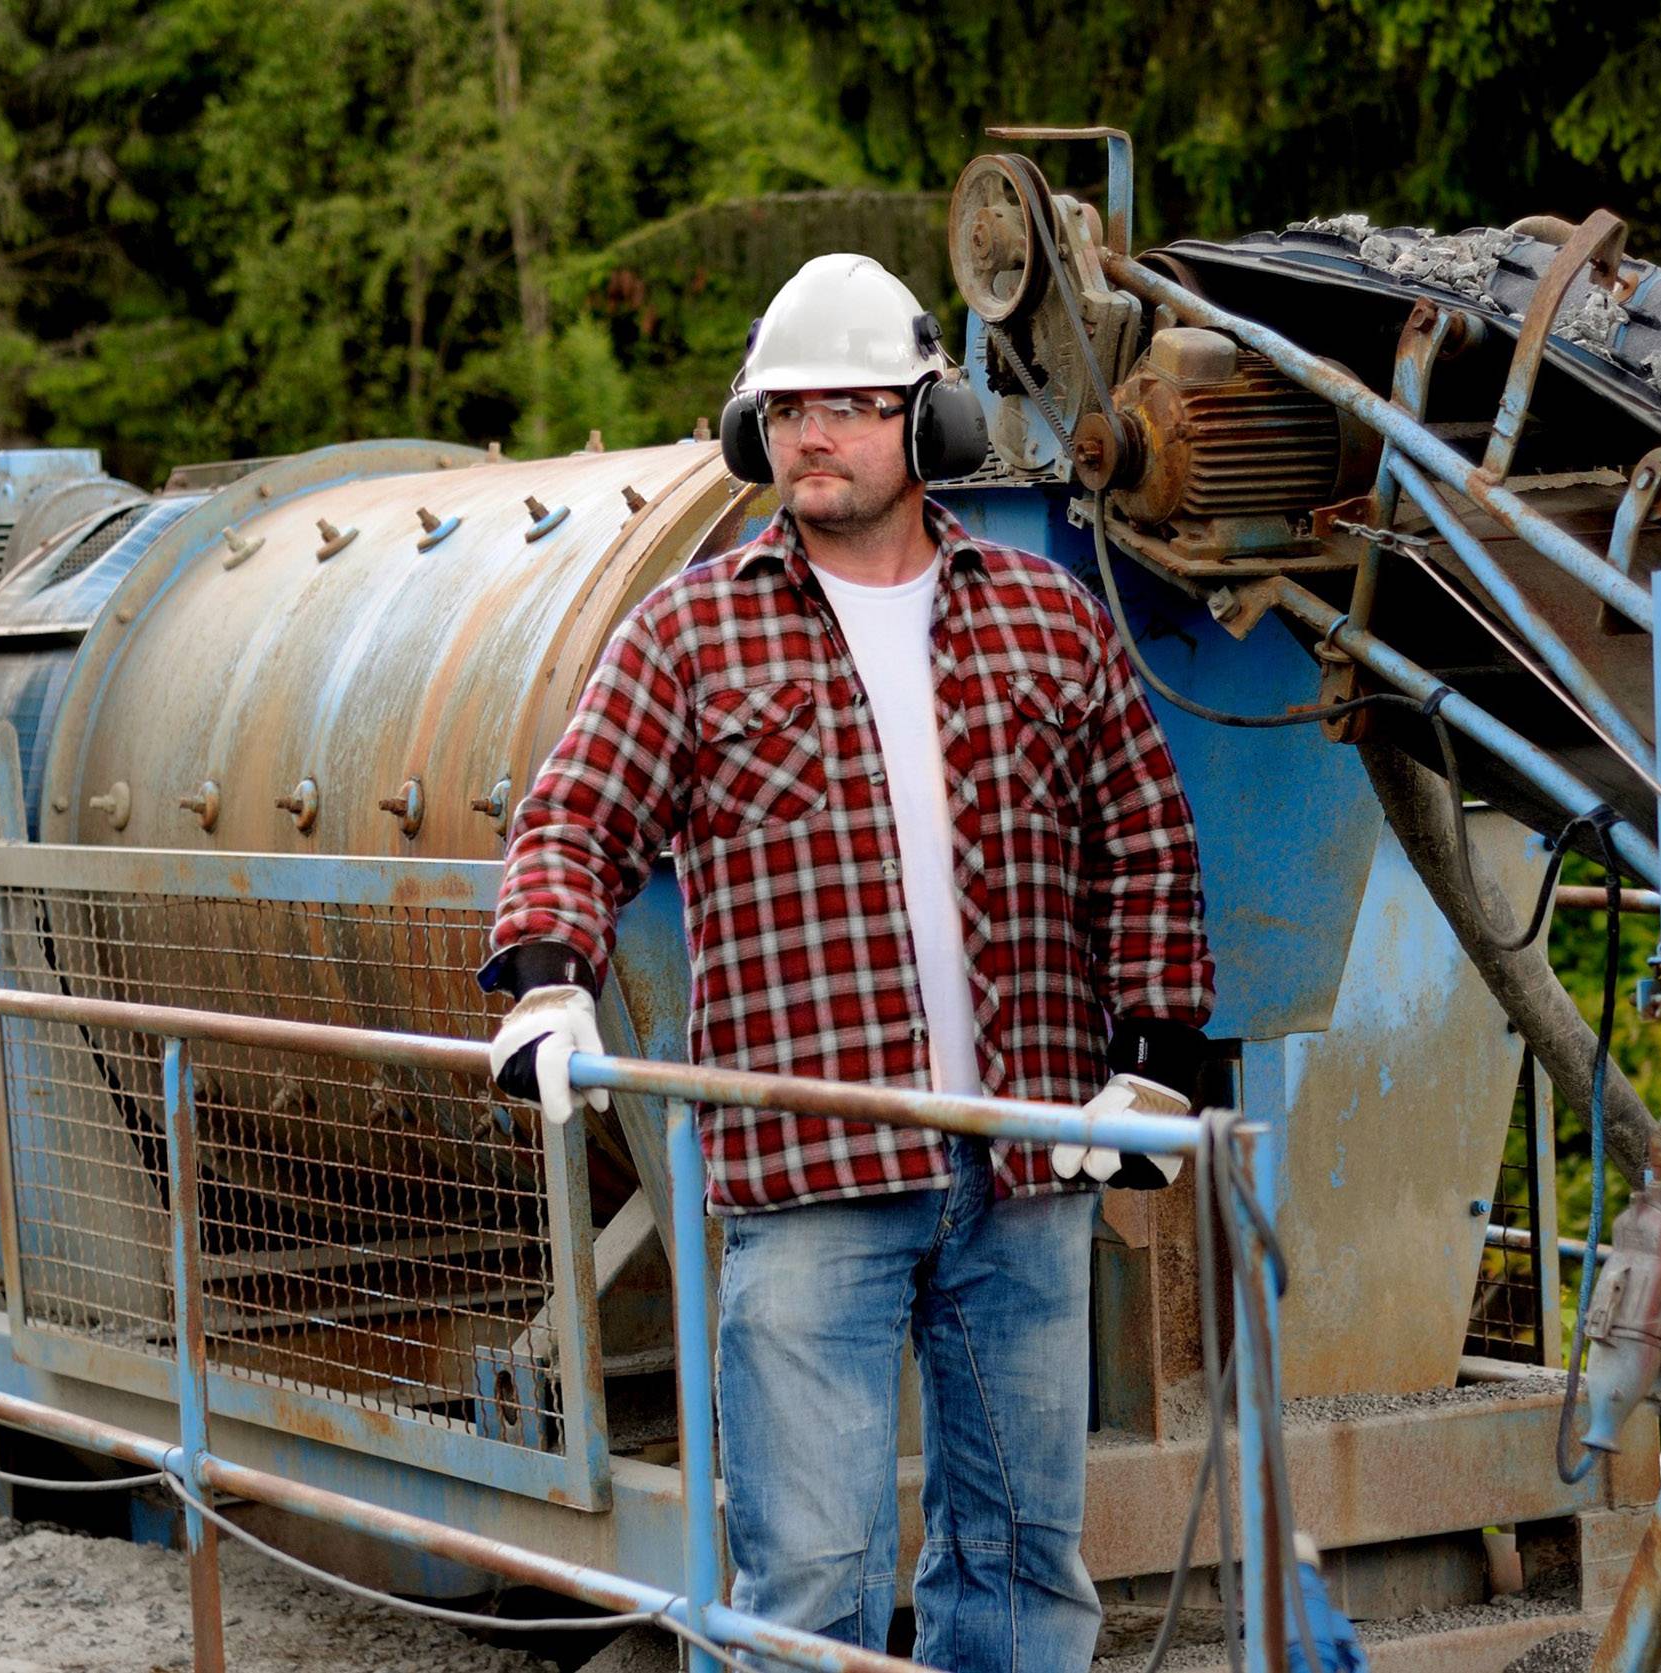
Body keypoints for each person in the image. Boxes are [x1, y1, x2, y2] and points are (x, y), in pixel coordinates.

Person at [482, 251, 1214, 1671]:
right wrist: (548, 971)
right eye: (788, 409)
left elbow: (1149, 840)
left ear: (928, 423)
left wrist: (1155, 1064)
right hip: (809, 1175)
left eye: (851, 405)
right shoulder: (692, 632)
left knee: (1022, 1565)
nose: (813, 434)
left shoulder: (1046, 616)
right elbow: (574, 811)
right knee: (807, 1581)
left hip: (1021, 1165)